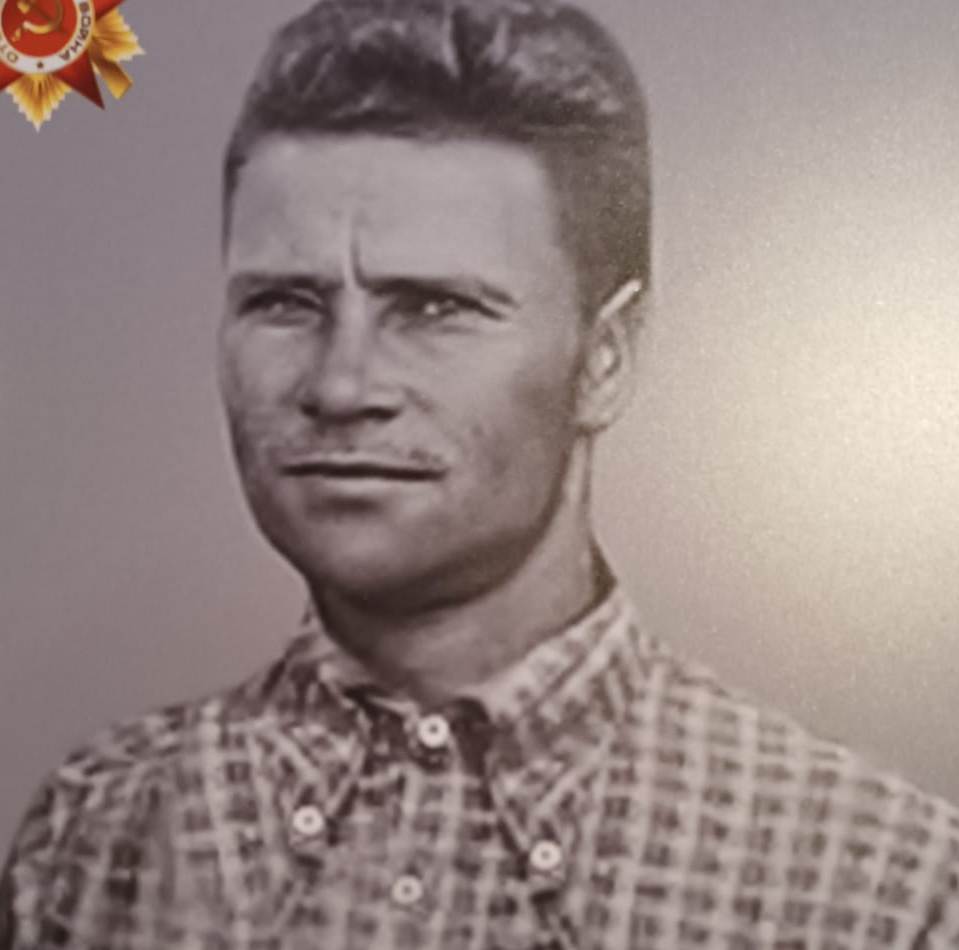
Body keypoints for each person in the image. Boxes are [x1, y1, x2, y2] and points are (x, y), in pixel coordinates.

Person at [3, 0, 959, 946]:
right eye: (286, 302)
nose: (341, 386)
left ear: (605, 358)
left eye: (434, 308)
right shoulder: (88, 840)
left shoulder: (880, 888)